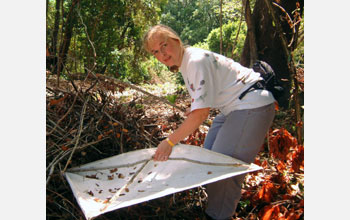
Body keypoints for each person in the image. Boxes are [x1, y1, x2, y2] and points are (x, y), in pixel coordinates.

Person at [143, 24, 275, 220]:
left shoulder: (195, 61)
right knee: (207, 160)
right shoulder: (185, 63)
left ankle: (218, 216)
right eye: (155, 51)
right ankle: (214, 206)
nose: (162, 53)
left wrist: (169, 142)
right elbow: (206, 95)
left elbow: (200, 115)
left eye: (164, 45)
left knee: (222, 169)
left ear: (176, 41)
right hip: (232, 108)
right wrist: (195, 106)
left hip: (252, 105)